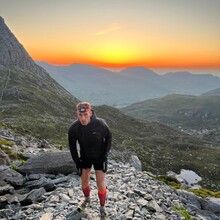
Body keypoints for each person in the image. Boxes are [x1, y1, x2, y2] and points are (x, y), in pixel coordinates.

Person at [68, 102, 112, 219]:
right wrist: (77, 162)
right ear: (77, 113)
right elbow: (72, 148)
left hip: (99, 157)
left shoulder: (100, 124)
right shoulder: (74, 128)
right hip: (85, 157)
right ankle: (87, 200)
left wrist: (105, 156)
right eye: (80, 115)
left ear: (90, 112)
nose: (82, 118)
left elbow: (108, 138)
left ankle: (102, 208)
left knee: (100, 183)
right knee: (84, 182)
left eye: (85, 115)